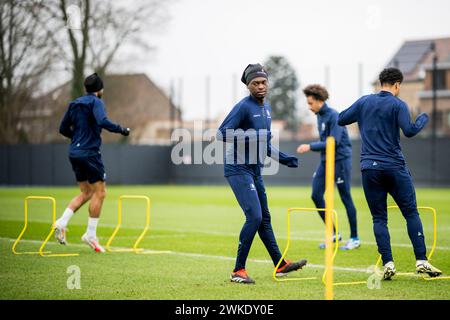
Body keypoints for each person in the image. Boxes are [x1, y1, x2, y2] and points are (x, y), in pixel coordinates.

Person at [338, 67, 442, 279]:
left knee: (379, 218)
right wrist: (423, 118)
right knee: (411, 213)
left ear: (380, 82)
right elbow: (410, 131)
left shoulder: (364, 101)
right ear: (397, 85)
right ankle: (421, 260)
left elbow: (341, 119)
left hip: (370, 169)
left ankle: (388, 264)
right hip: (394, 167)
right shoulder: (398, 104)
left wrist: (363, 117)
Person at [217, 63, 307, 284]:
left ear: (268, 83)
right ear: (248, 86)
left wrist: (283, 158)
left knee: (264, 219)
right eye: (255, 83)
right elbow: (221, 134)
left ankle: (280, 265)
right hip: (237, 168)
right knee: (255, 217)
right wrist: (251, 137)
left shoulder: (266, 109)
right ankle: (238, 271)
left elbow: (263, 142)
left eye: (263, 82)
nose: (260, 86)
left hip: (255, 170)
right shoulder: (243, 107)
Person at [55, 73, 130, 252]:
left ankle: (61, 222)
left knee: (86, 192)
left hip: (74, 152)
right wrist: (122, 130)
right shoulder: (96, 102)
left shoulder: (74, 104)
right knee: (101, 192)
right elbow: (102, 121)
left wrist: (77, 139)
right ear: (99, 90)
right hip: (89, 153)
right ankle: (90, 235)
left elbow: (62, 129)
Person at [297, 85, 359, 250]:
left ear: (320, 101)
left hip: (340, 161)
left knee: (345, 197)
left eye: (311, 103)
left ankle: (355, 237)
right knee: (316, 195)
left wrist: (309, 146)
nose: (309, 107)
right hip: (326, 161)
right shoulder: (319, 116)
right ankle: (334, 234)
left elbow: (334, 142)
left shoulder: (334, 116)